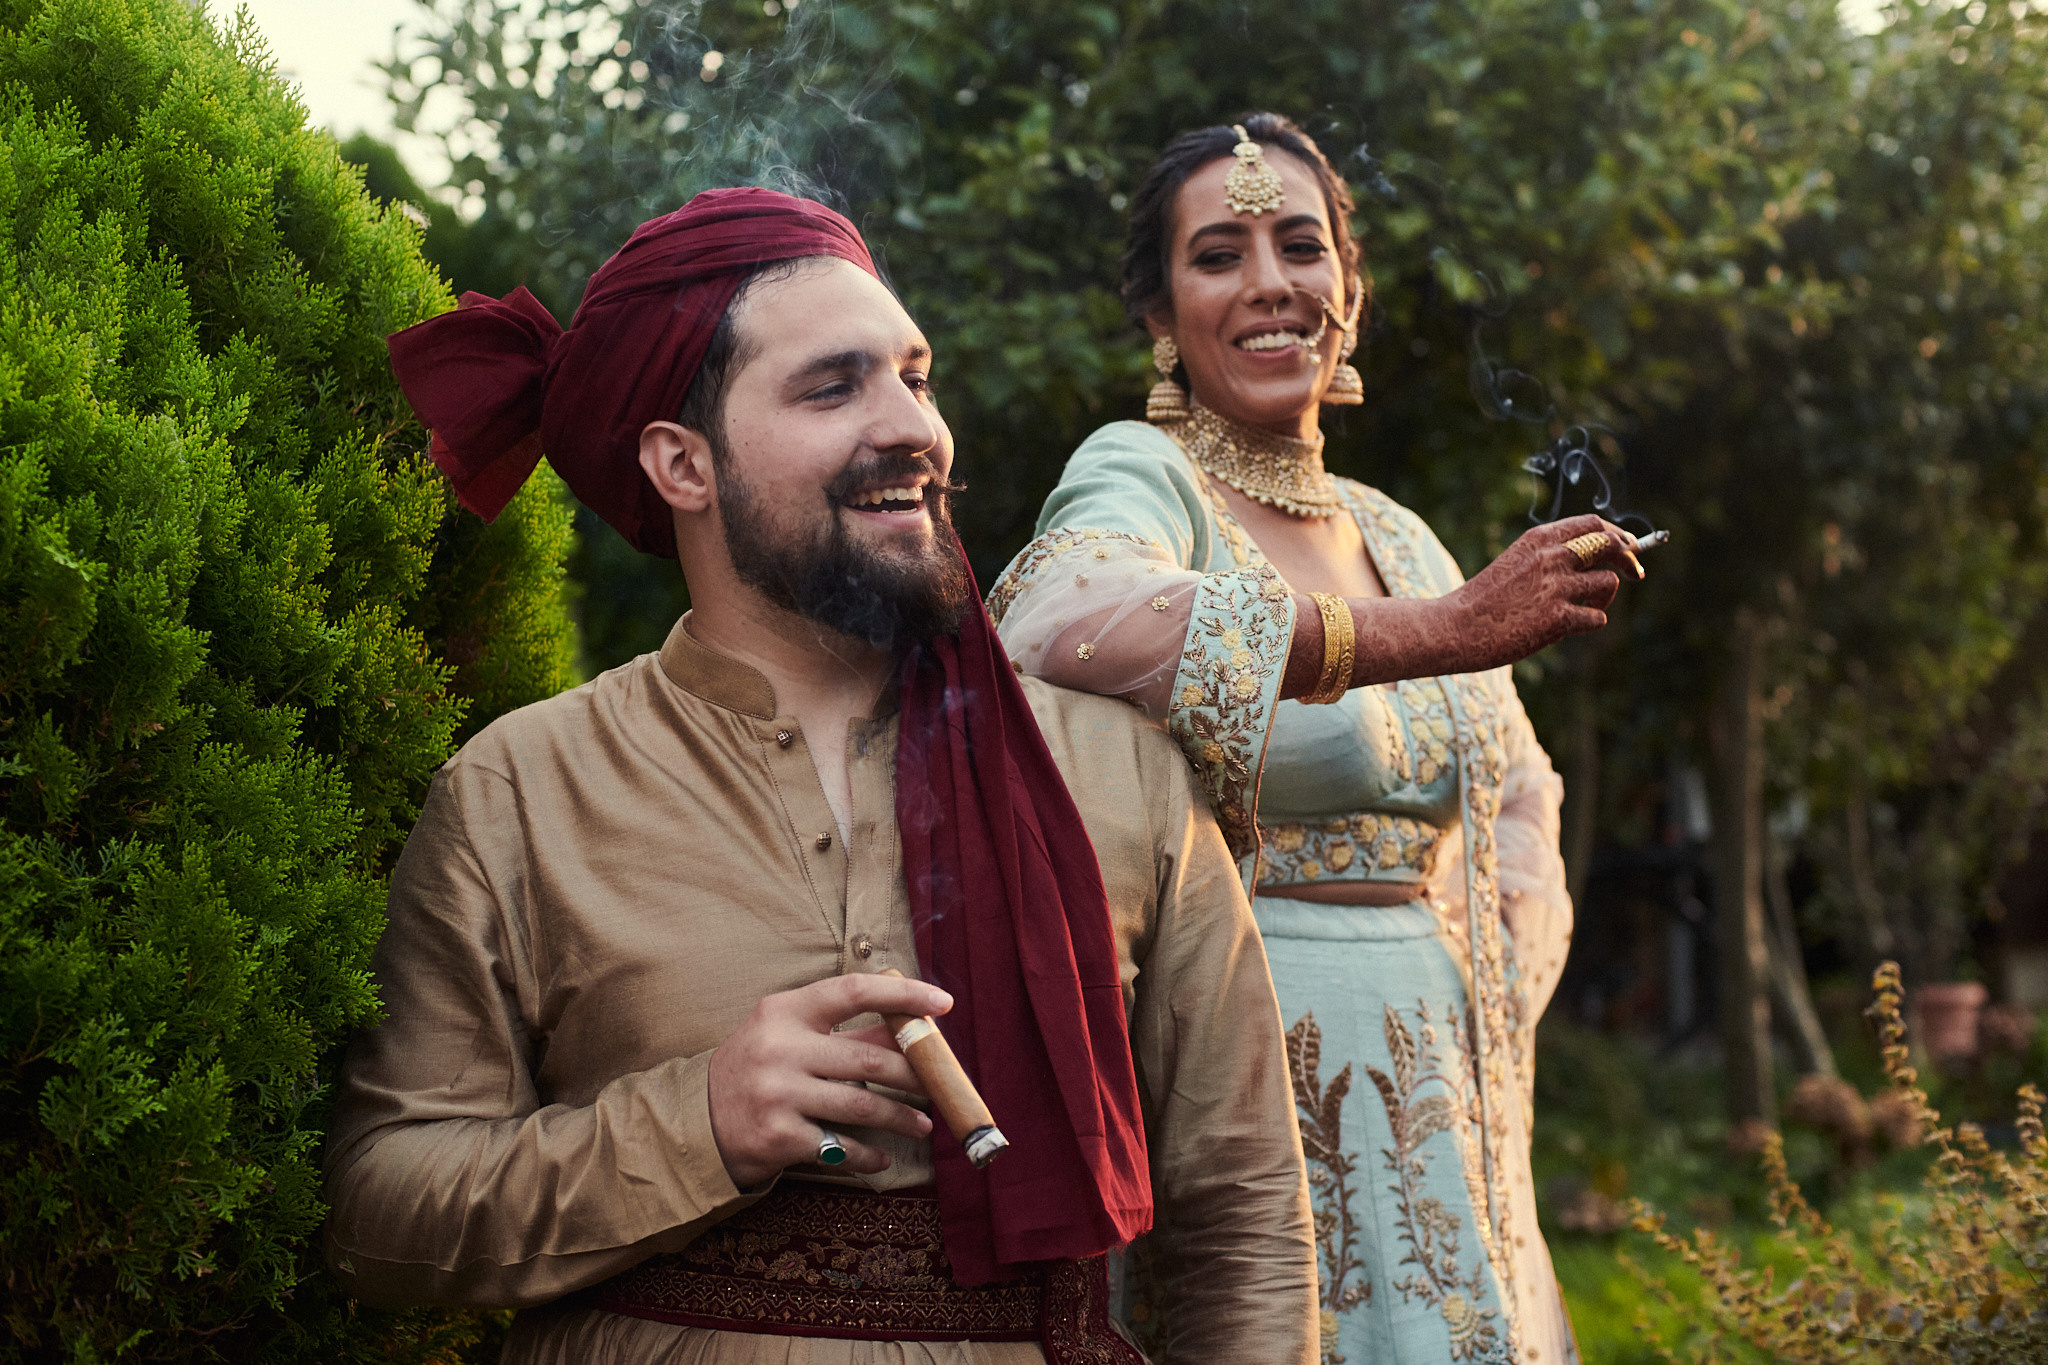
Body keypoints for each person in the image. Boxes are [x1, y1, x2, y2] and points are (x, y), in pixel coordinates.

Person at [321, 188, 1317, 1365]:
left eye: (916, 376)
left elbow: (1244, 1223)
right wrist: (700, 1123)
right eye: (833, 386)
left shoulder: (1115, 768)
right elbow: (379, 1213)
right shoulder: (521, 790)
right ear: (683, 465)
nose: (913, 429)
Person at [990, 115, 1642, 1365]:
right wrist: (1431, 631)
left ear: (1349, 289)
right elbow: (1054, 619)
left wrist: (1486, 982)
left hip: (1456, 1107)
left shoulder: (1393, 533)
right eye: (1218, 255)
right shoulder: (1143, 474)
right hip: (1244, 1069)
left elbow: (1516, 790)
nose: (1269, 284)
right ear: (1155, 310)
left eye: (1299, 246)